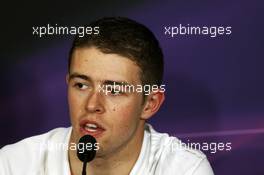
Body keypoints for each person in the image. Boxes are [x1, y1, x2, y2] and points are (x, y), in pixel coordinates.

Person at [0, 17, 214, 175]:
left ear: (149, 103)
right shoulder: (13, 164)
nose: (92, 105)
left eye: (114, 90)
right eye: (81, 85)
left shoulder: (185, 170)